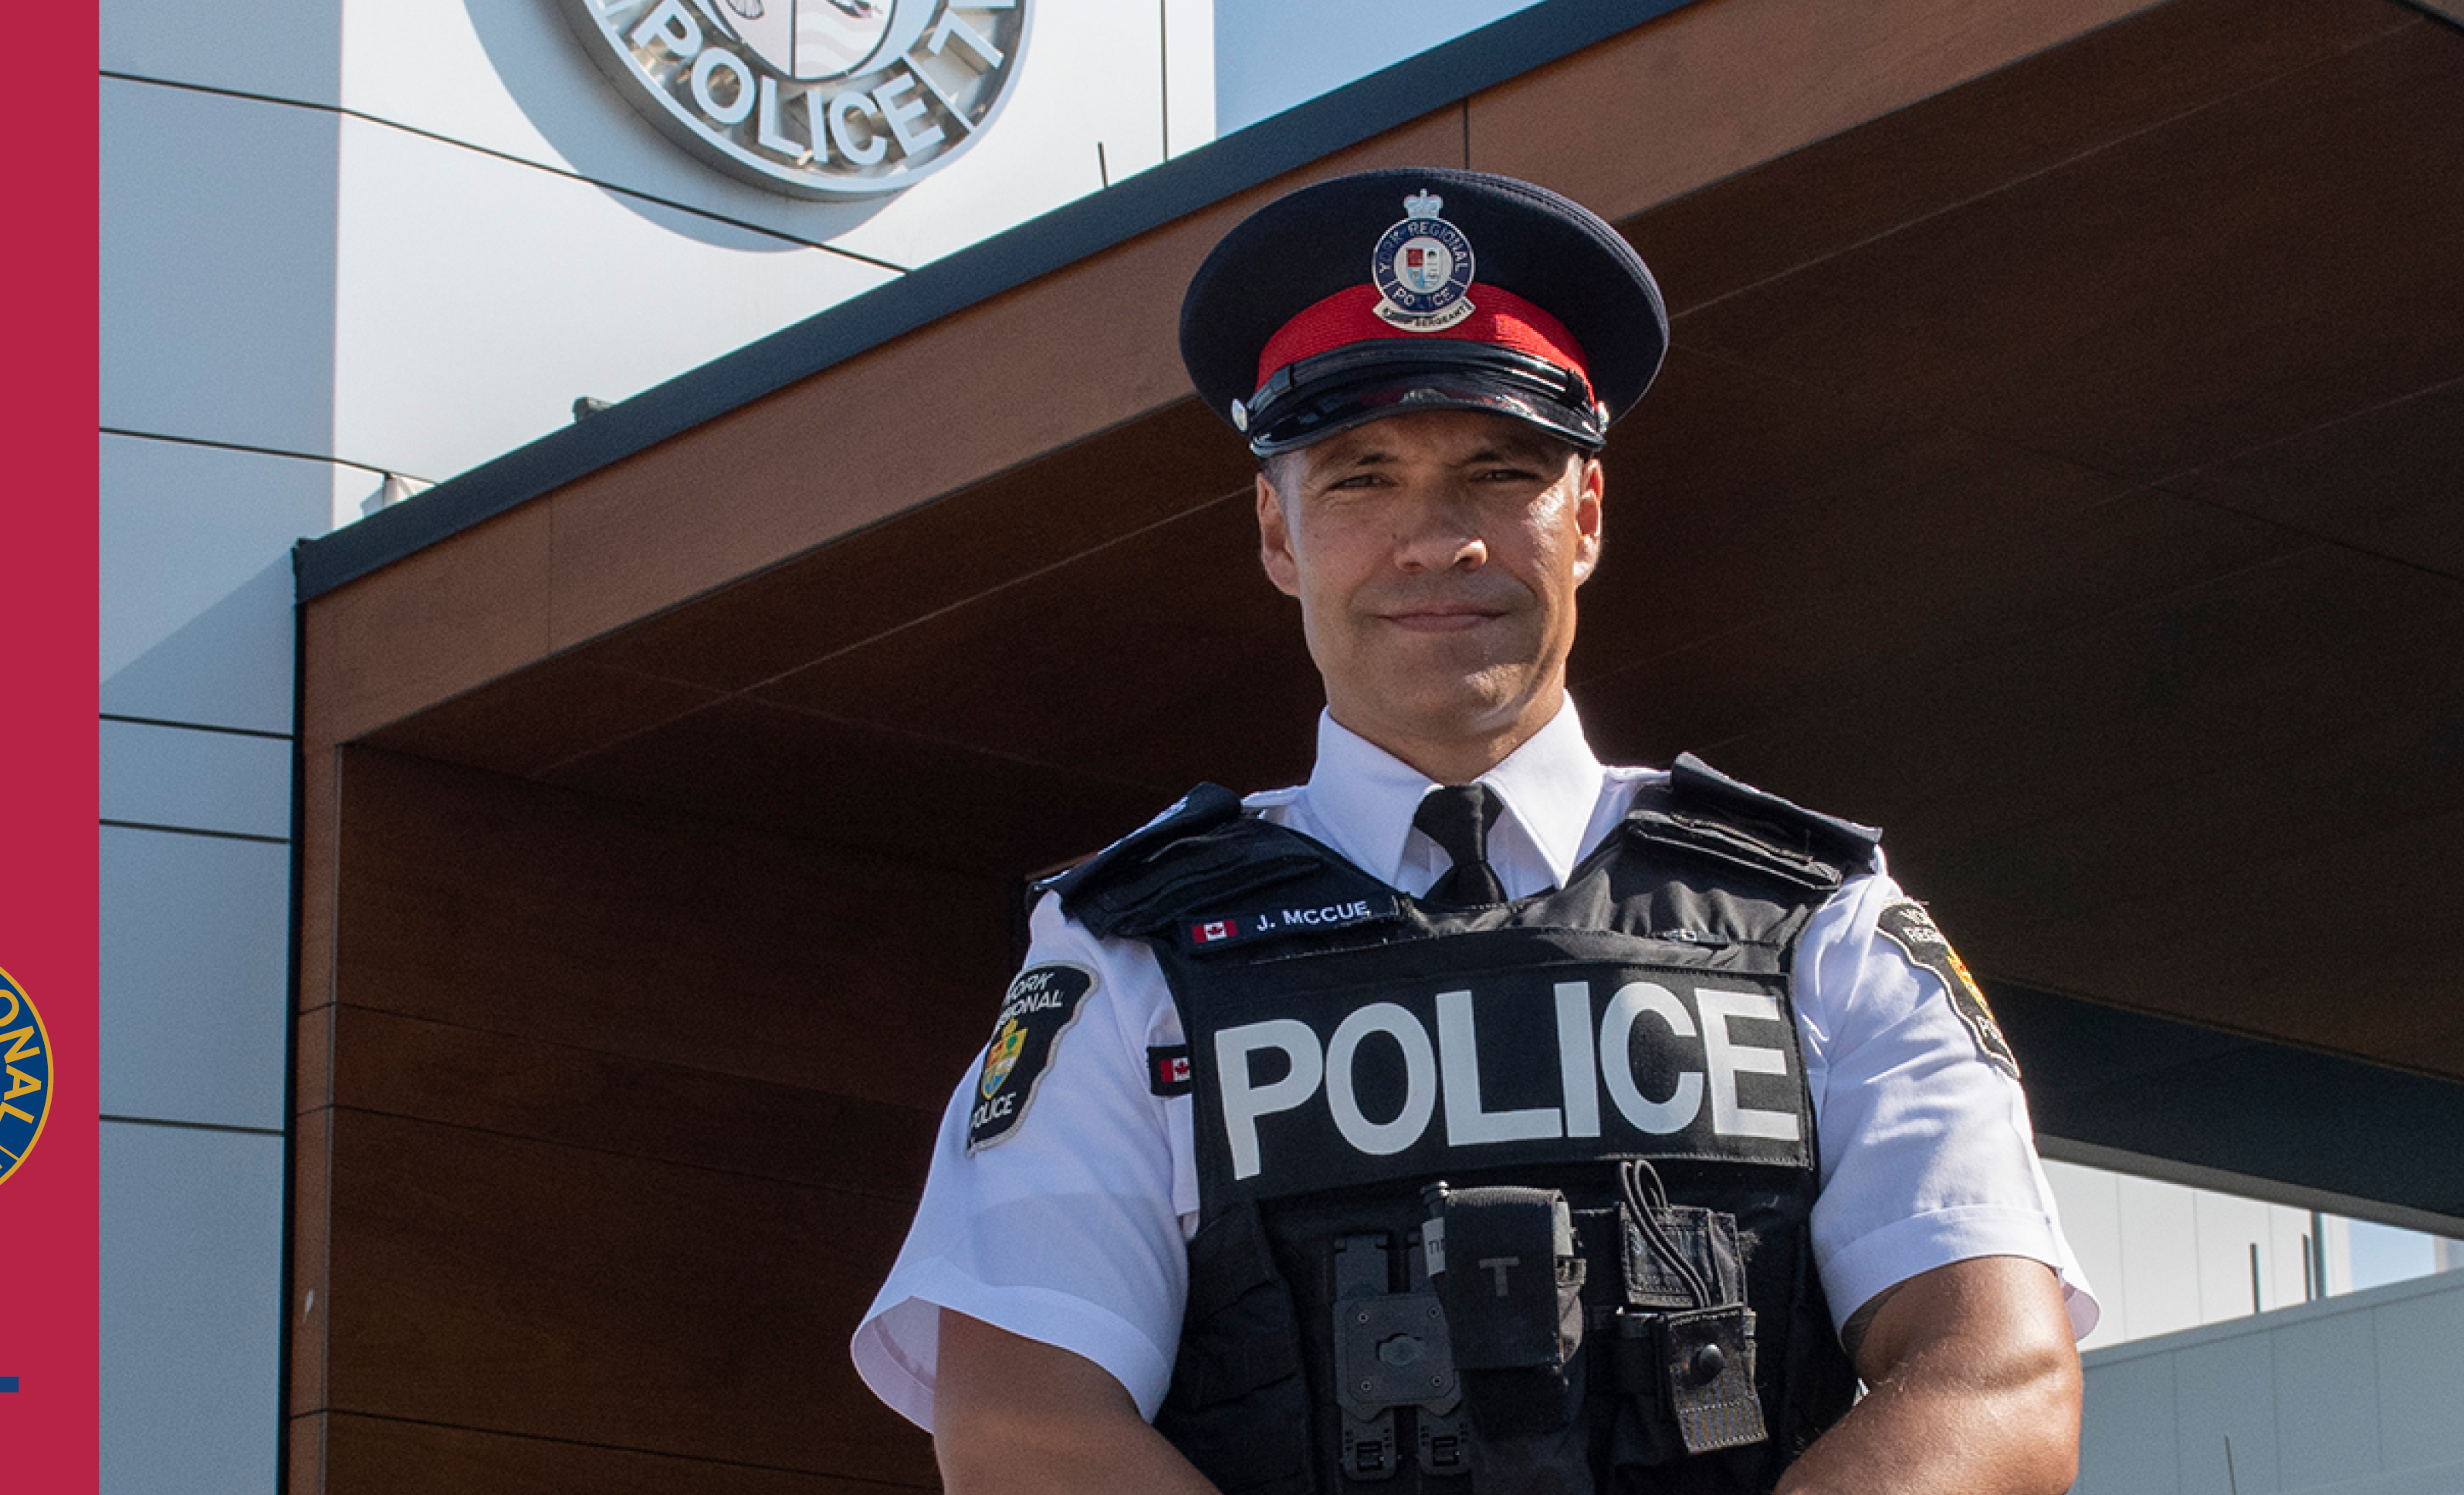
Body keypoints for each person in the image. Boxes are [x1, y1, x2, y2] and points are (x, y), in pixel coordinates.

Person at [849, 167, 2093, 1495]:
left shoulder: (1818, 925)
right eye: (1361, 479)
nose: (1435, 542)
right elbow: (1024, 1421)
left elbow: (1996, 1377)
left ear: (1589, 517)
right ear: (1278, 531)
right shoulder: (1130, 956)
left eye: (1500, 472)